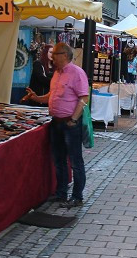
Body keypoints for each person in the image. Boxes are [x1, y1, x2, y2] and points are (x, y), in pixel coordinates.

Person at [23, 42, 89, 207]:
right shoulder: (57, 73)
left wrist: (73, 119)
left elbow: (84, 98)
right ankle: (61, 193)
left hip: (70, 123)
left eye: (55, 54)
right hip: (56, 122)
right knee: (58, 159)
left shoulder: (77, 73)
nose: (51, 57)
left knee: (75, 160)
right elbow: (52, 95)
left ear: (65, 55)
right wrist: (36, 98)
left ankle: (77, 196)